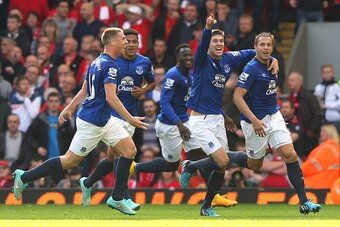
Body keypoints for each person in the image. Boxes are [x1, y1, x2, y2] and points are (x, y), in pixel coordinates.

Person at [12, 27, 148, 216]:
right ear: (114, 42)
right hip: (91, 122)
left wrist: (68, 108)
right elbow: (111, 98)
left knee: (129, 150)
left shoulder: (96, 62)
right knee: (69, 161)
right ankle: (24, 176)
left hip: (104, 119)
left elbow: (85, 90)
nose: (127, 41)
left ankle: (117, 198)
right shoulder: (111, 66)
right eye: (124, 38)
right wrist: (130, 118)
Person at [179, 14, 278, 216]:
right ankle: (190, 166)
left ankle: (206, 207)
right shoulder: (201, 61)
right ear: (208, 45)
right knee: (222, 161)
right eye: (214, 41)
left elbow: (255, 51)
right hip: (199, 120)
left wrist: (273, 57)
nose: (218, 43)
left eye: (221, 41)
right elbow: (204, 42)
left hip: (217, 118)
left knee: (220, 167)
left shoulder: (228, 59)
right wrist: (208, 28)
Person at [131, 43, 237, 207]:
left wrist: (223, 115)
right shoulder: (173, 75)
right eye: (184, 56)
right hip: (169, 124)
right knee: (171, 165)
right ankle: (136, 167)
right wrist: (179, 125)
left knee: (200, 153)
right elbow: (165, 103)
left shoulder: (192, 75)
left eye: (190, 55)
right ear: (177, 58)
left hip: (184, 121)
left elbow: (201, 101)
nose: (188, 58)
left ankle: (213, 196)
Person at [233, 32, 321, 214]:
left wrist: (274, 59)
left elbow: (269, 57)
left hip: (274, 115)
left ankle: (304, 201)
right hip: (255, 122)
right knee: (255, 165)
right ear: (255, 47)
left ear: (272, 47)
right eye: (262, 45)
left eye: (269, 45)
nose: (265, 48)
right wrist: (254, 120)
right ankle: (229, 155)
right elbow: (237, 97)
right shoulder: (251, 69)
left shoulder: (272, 63)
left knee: (290, 154)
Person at [78, 28, 155, 209]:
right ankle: (122, 196)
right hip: (113, 114)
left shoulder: (144, 62)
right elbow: (92, 85)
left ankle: (88, 183)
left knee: (114, 158)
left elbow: (152, 82)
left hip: (131, 112)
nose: (130, 44)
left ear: (138, 43)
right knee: (124, 153)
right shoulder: (112, 60)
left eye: (134, 41)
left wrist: (143, 90)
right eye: (126, 41)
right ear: (121, 42)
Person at [301, 124, 340, 189]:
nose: (321, 133)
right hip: (328, 182)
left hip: (320, 183)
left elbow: (313, 166)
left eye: (324, 131)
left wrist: (298, 171)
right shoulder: (333, 147)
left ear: (330, 133)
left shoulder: (328, 148)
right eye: (321, 131)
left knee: (293, 179)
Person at [314, 64, 340, 133]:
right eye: (324, 72)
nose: (326, 74)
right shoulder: (318, 87)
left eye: (328, 72)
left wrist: (326, 106)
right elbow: (315, 101)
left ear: (332, 73)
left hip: (335, 119)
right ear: (322, 74)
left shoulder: (337, 87)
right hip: (321, 119)